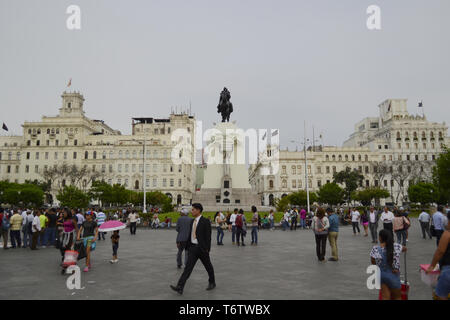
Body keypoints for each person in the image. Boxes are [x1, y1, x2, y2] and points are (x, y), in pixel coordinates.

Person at [170, 203, 215, 295]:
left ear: (198, 210)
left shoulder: (205, 221)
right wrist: (188, 246)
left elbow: (208, 236)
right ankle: (180, 287)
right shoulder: (192, 221)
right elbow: (190, 235)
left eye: (193, 209)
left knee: (208, 267)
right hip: (193, 248)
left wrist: (207, 249)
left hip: (202, 249)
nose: (192, 211)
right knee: (187, 269)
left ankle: (212, 282)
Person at [370, 229, 407, 300]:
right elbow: (405, 248)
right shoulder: (396, 246)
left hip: (382, 275)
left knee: (385, 297)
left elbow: (373, 262)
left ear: (380, 237)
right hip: (394, 274)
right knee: (397, 297)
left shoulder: (375, 249)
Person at [426, 211, 450, 300]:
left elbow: (440, 251)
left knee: (440, 296)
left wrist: (432, 266)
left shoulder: (447, 234)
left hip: (448, 270)